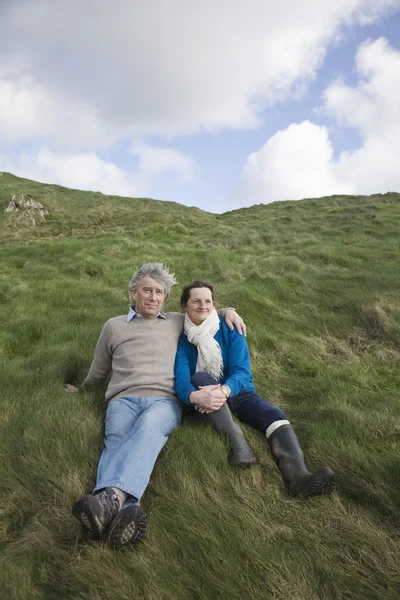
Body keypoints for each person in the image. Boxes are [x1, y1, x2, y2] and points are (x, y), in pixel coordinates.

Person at [66, 263, 246, 549]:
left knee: (149, 429)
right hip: (122, 399)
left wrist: (228, 311)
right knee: (116, 442)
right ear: (133, 293)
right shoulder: (113, 326)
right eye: (147, 290)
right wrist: (84, 389)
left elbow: (204, 311)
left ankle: (105, 500)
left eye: (159, 292)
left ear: (165, 298)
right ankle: (125, 511)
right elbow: (99, 370)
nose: (153, 297)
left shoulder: (175, 321)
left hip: (164, 400)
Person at [174, 280, 337, 498]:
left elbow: (241, 372)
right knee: (200, 377)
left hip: (237, 392)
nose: (203, 306)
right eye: (196, 301)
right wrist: (195, 395)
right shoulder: (183, 339)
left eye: (208, 301)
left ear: (214, 305)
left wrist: (224, 391)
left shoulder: (230, 328)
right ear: (185, 304)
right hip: (204, 395)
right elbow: (182, 381)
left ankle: (299, 479)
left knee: (274, 415)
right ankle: (239, 445)